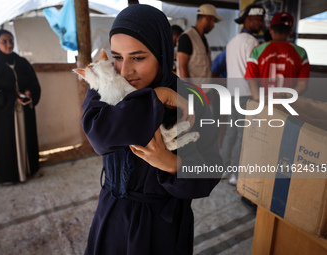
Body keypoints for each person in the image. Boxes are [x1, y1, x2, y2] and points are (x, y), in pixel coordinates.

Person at [81, 4, 223, 255]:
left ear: (162, 51)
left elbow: (210, 170)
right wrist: (155, 97)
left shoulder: (189, 100)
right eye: (117, 57)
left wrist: (172, 164)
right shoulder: (106, 86)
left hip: (161, 226)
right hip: (112, 215)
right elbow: (100, 137)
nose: (125, 71)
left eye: (138, 57)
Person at [0, 29, 41, 184]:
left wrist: (29, 92)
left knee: (27, 139)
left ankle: (28, 170)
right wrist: (12, 99)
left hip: (24, 111)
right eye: (4, 41)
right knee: (6, 143)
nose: (9, 44)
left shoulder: (22, 62)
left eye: (11, 40)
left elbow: (33, 82)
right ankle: (8, 176)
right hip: (4, 114)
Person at [221, 4, 265, 185]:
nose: (262, 23)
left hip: (233, 93)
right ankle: (236, 174)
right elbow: (253, 73)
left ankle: (222, 169)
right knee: (242, 134)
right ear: (249, 20)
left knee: (231, 131)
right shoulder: (252, 43)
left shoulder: (232, 42)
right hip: (247, 94)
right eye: (259, 20)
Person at [245, 12, 310, 99]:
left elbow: (252, 81)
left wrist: (260, 104)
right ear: (290, 31)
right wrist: (285, 100)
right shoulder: (301, 53)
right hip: (288, 107)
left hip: (262, 105)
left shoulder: (257, 51)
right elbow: (302, 86)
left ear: (271, 30)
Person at [177, 4, 222, 79]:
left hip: (205, 89)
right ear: (207, 18)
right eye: (213, 21)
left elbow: (206, 70)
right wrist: (187, 90)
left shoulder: (203, 39)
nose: (213, 26)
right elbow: (182, 68)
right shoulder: (186, 37)